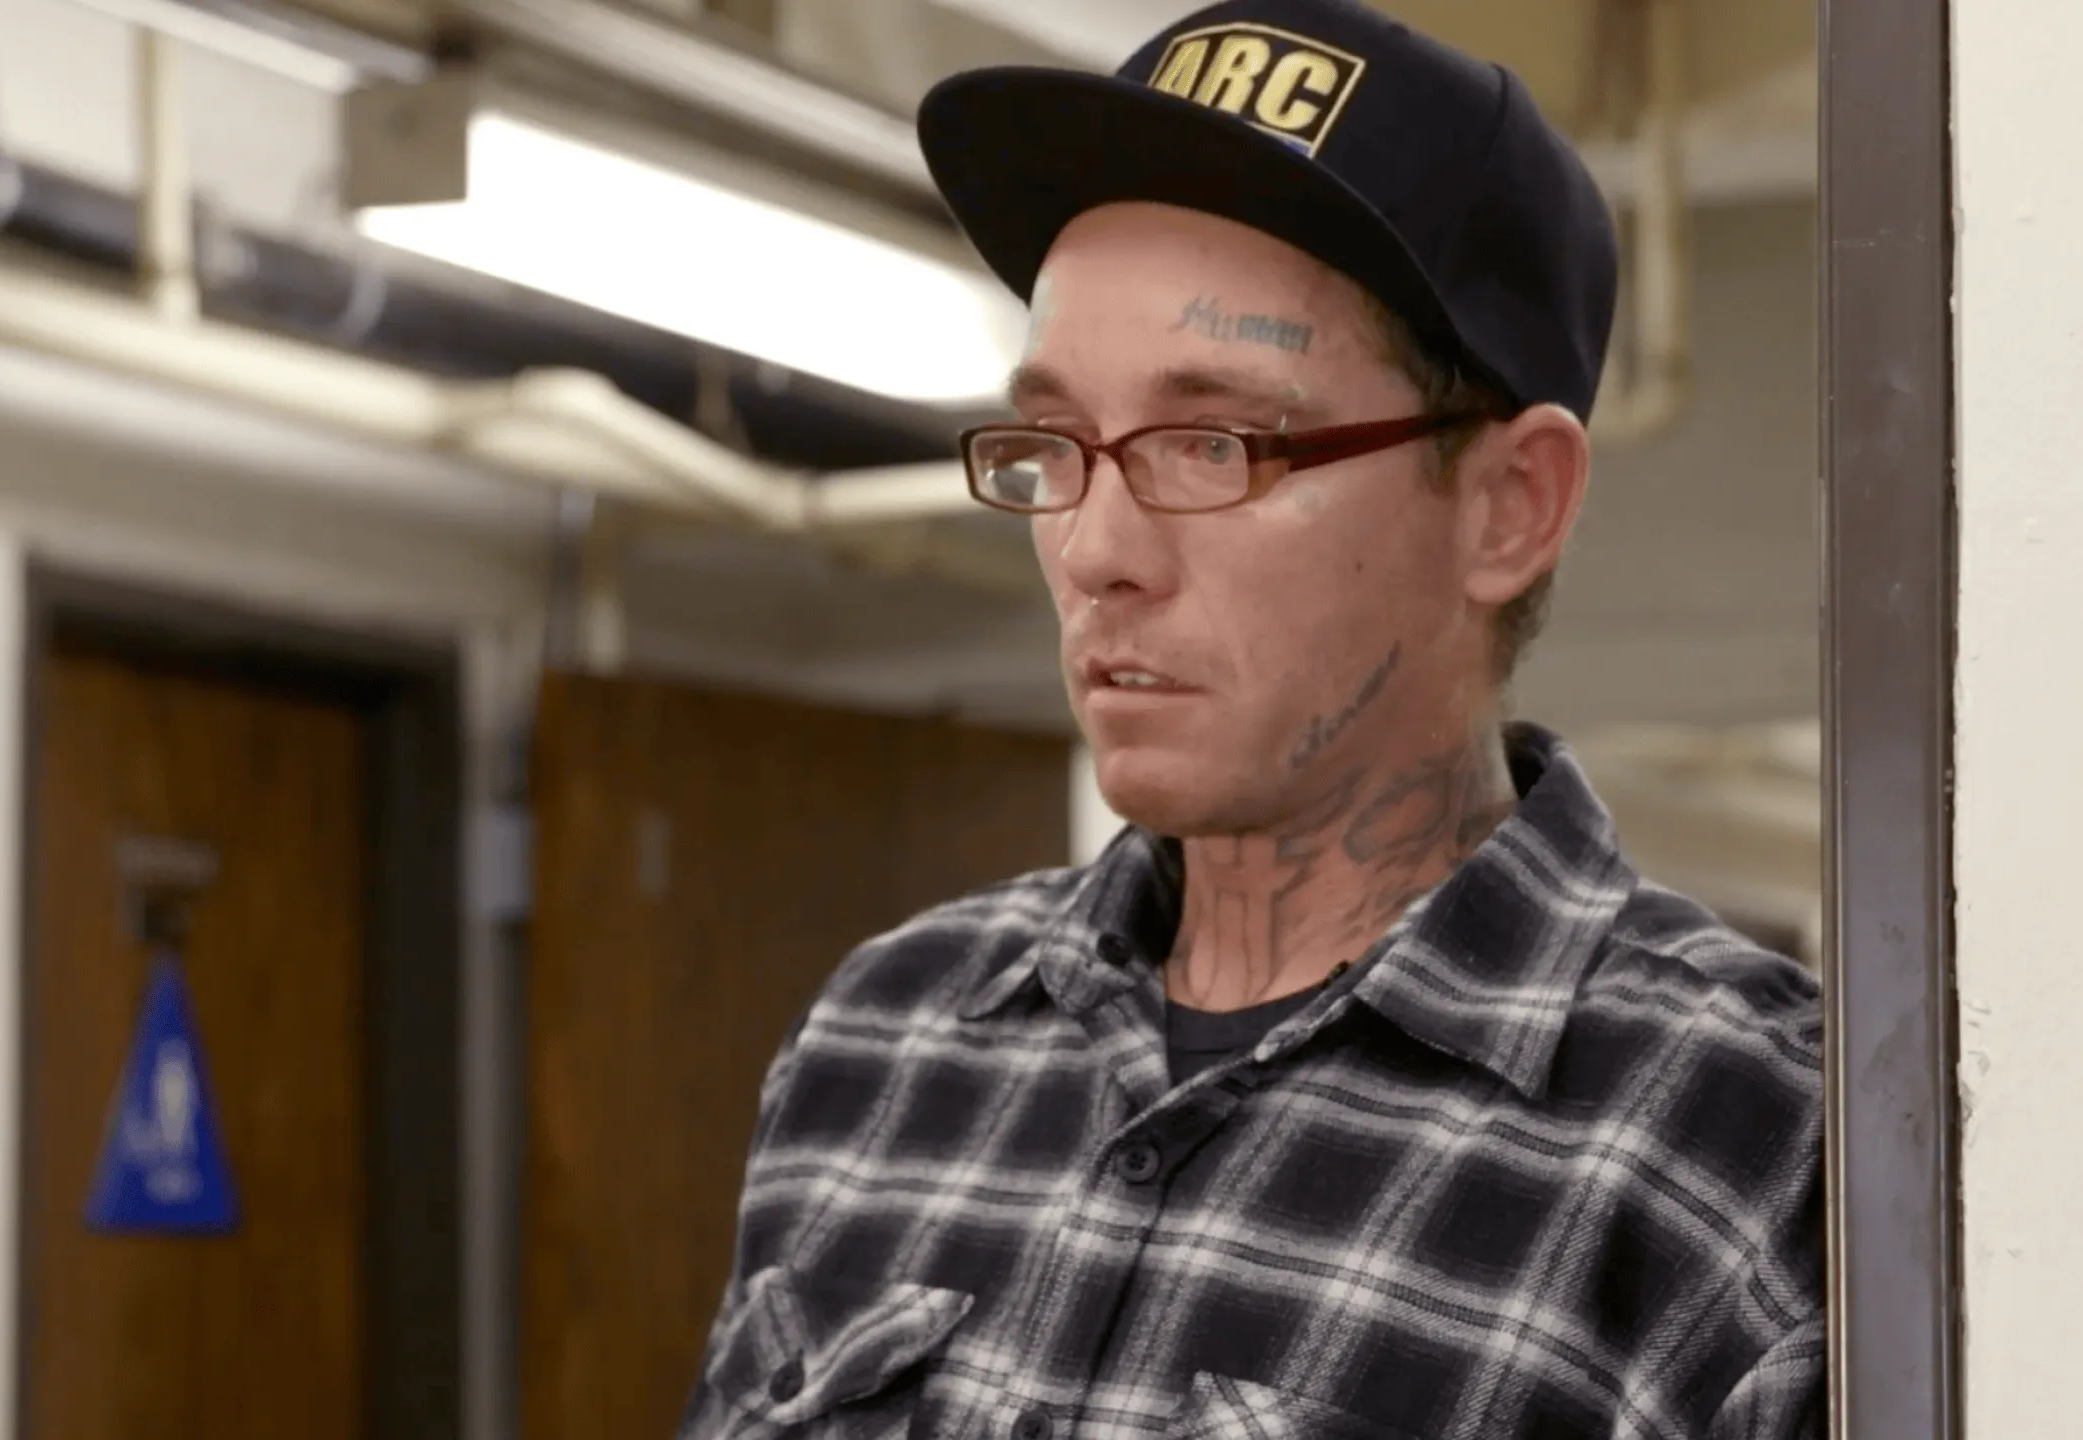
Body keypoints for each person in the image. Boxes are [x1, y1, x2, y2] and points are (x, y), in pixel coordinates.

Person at [675, 1, 1824, 1437]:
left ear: (1507, 506)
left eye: (1211, 443)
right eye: (1055, 443)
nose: (1095, 551)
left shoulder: (1747, 1148)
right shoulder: (885, 1040)